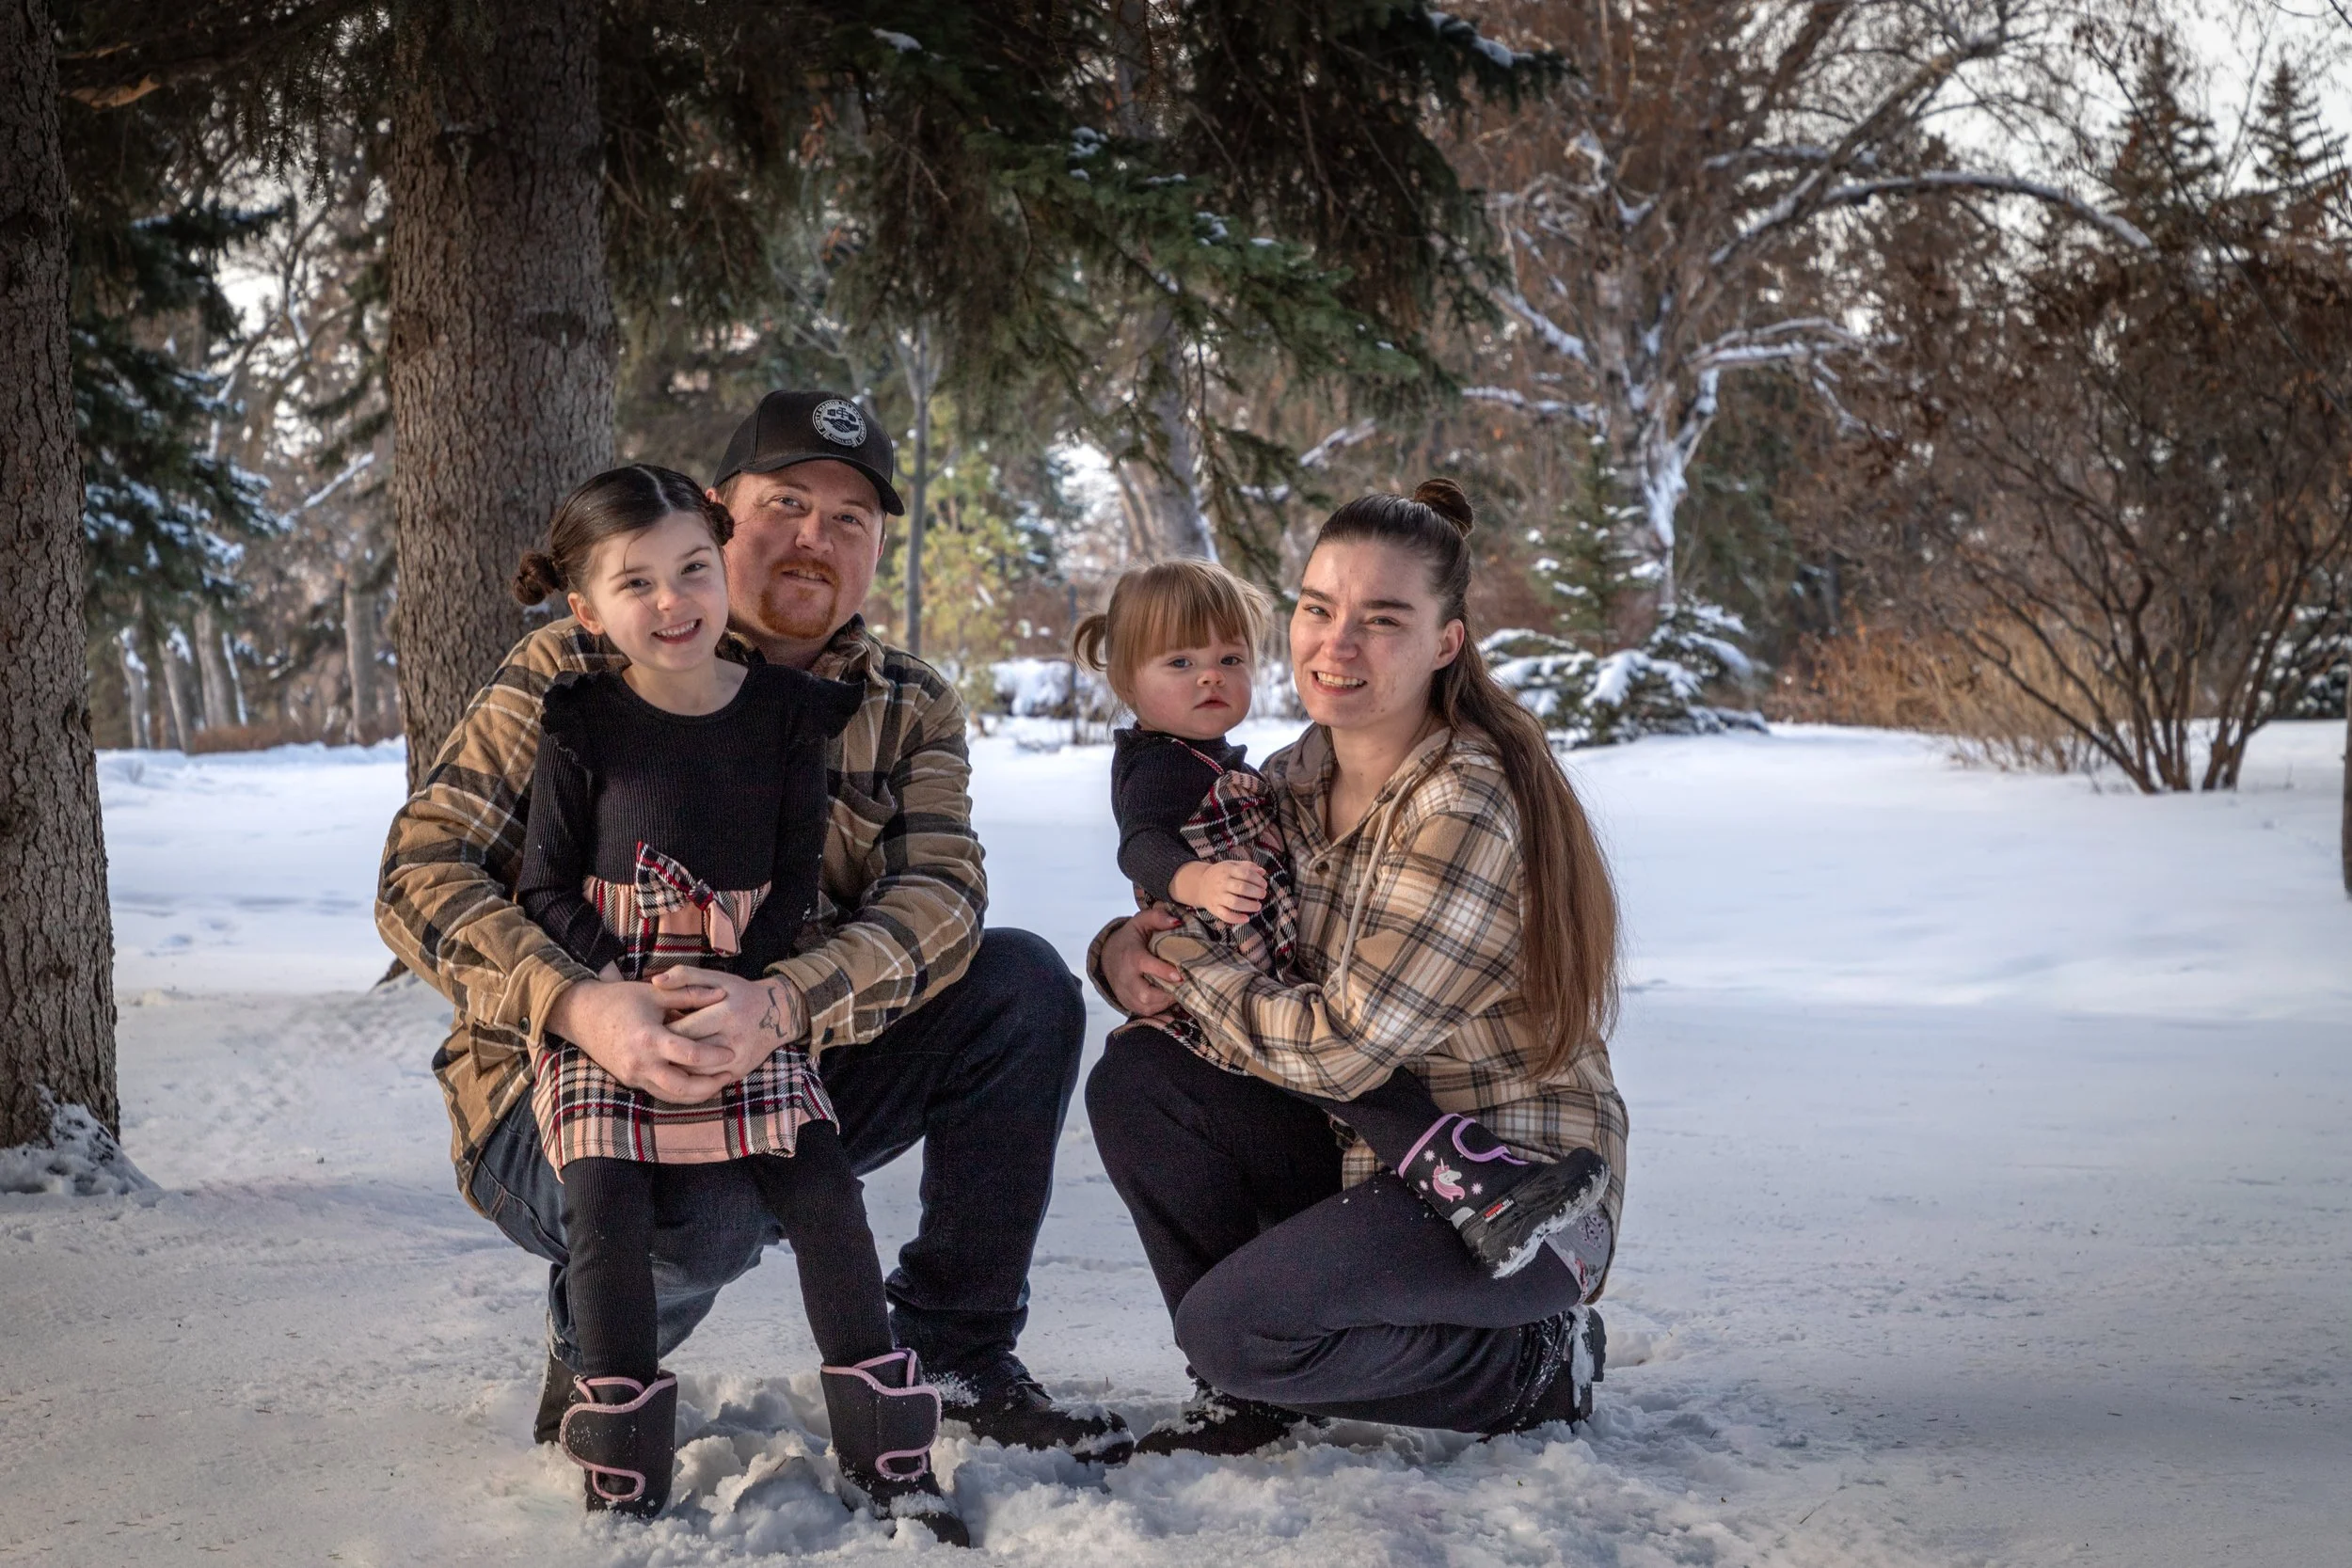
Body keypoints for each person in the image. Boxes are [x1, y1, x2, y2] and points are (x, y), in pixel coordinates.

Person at [376, 391, 1133, 1485]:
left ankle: (959, 1351)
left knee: (1020, 981)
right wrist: (580, 1000)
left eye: (851, 520)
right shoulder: (578, 667)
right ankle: (602, 1354)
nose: (815, 539)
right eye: (787, 504)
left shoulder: (905, 703)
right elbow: (420, 870)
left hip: (778, 1059)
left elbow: (940, 900)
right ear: (721, 514)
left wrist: (781, 1003)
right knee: (710, 1207)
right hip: (556, 1085)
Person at [1084, 480, 1629, 1456]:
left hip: (1514, 1188)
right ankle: (1253, 1392)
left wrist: (1173, 952)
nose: (1335, 645)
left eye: (1381, 621)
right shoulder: (1291, 778)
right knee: (1140, 1080)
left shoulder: (1463, 803)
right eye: (1317, 609)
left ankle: (1534, 1361)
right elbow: (1218, 934)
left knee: (1238, 1326)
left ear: (1445, 643)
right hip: (1366, 1156)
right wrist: (1119, 948)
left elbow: (1336, 1049)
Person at [505, 464, 961, 1540]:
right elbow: (540, 882)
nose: (673, 604)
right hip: (606, 998)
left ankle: (884, 1434)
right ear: (586, 610)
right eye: (637, 584)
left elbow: (797, 878)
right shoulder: (578, 716)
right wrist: (609, 985)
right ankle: (618, 1447)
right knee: (607, 1197)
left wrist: (758, 983)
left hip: (746, 994)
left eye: (692, 571)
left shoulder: (789, 718)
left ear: (721, 561)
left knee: (819, 1187)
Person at [1075, 558, 1608, 1277]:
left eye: (1229, 658)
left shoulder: (1269, 769)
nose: (1210, 677)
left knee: (1352, 1073)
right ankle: (1469, 1184)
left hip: (1281, 993)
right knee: (1348, 1081)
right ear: (1127, 679)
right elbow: (1140, 845)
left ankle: (1468, 1191)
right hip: (1235, 978)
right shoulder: (1158, 766)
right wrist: (1185, 891)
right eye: (1180, 662)